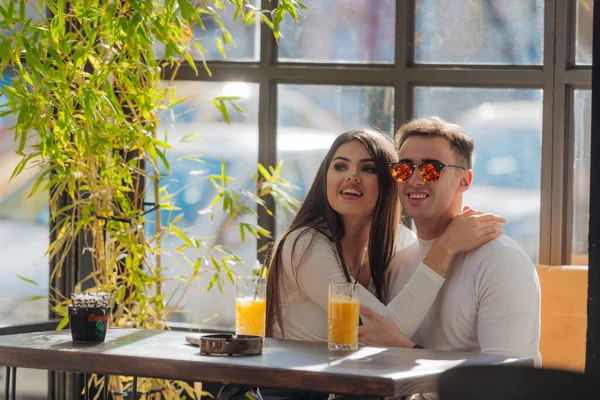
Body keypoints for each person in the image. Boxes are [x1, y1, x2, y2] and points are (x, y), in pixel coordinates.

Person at [265, 128, 505, 343]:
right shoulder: (304, 244)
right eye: (340, 166)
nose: (351, 176)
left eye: (368, 169)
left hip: (363, 386)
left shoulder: (402, 242)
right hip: (299, 388)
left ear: (392, 182)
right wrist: (445, 247)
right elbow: (389, 329)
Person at [358, 117, 542, 369]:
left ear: (464, 180)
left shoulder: (501, 260)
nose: (414, 179)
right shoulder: (397, 264)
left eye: (431, 169)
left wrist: (404, 350)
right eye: (403, 168)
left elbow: (506, 380)